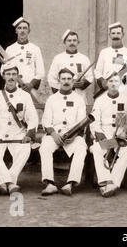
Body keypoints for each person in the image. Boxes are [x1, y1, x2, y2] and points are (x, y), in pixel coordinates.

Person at [0, 64, 38, 195]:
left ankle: (4, 182)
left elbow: (33, 118)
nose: (11, 77)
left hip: (18, 136)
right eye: (8, 74)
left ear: (18, 77)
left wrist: (29, 135)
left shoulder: (25, 96)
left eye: (14, 74)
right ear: (3, 76)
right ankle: (11, 183)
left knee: (25, 151)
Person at [40, 68, 88, 196]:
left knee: (81, 147)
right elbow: (46, 120)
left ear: (73, 81)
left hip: (73, 135)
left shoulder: (79, 99)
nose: (66, 82)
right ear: (59, 81)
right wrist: (53, 134)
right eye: (63, 79)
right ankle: (50, 184)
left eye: (69, 79)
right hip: (54, 135)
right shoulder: (52, 99)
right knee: (44, 147)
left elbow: (82, 121)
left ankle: (70, 183)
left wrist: (74, 135)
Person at [89, 74, 127, 197]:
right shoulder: (100, 100)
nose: (113, 83)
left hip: (120, 136)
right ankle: (104, 180)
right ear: (106, 83)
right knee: (96, 149)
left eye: (116, 81)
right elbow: (94, 122)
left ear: (120, 83)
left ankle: (114, 183)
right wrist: (101, 136)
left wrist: (125, 133)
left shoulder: (126, 99)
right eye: (110, 81)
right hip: (105, 134)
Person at [0, 17, 45, 95]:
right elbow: (2, 70)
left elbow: (41, 72)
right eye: (19, 28)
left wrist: (31, 84)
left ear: (29, 31)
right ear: (16, 31)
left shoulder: (35, 49)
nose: (22, 31)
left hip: (29, 89)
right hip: (12, 88)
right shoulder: (9, 49)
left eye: (25, 28)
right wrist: (12, 81)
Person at [47, 30, 94, 103]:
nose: (72, 43)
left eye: (74, 40)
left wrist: (82, 83)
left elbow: (90, 77)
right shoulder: (58, 58)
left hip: (79, 96)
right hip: (62, 98)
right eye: (69, 40)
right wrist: (61, 89)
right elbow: (51, 78)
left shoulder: (84, 58)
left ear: (78, 42)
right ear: (64, 42)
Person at [94, 22, 127, 98]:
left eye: (118, 33)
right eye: (113, 33)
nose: (116, 36)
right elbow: (98, 71)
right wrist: (103, 81)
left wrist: (124, 79)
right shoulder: (104, 52)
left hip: (124, 91)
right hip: (107, 90)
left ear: (122, 35)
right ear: (109, 35)